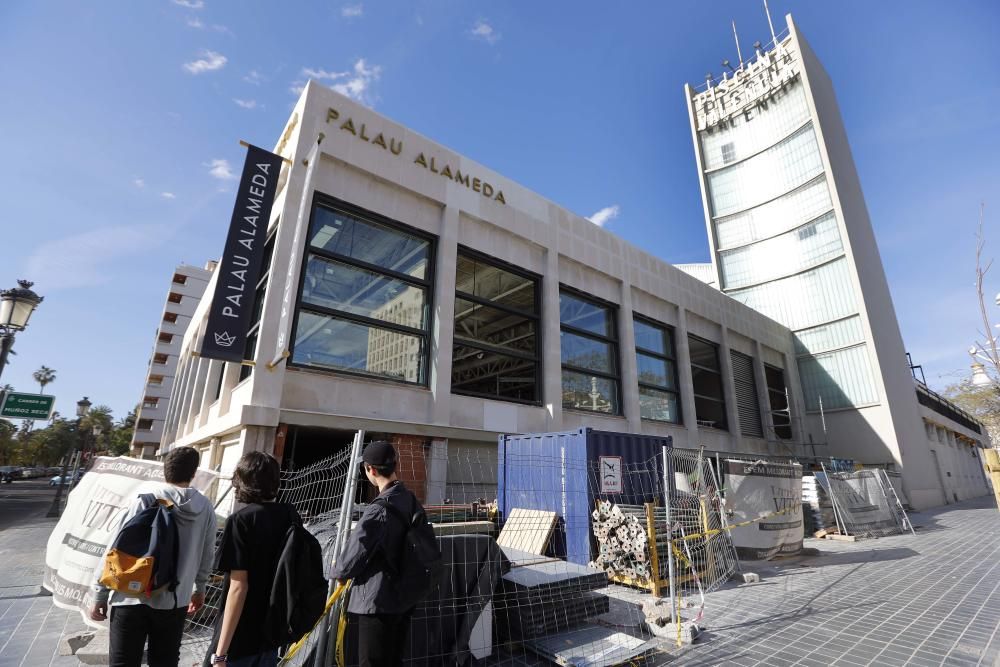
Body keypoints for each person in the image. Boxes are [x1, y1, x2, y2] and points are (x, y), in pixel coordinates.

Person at [90, 446, 216, 667]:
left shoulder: (146, 500)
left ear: (165, 471)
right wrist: (200, 587)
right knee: (165, 661)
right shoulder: (205, 507)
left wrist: (100, 594)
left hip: (130, 597)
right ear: (193, 473)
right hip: (175, 600)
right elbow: (207, 552)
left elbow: (115, 548)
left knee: (123, 662)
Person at [331, 440, 424, 667]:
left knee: (372, 662)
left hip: (377, 599)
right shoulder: (409, 499)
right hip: (404, 594)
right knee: (394, 659)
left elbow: (355, 552)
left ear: (370, 469)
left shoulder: (378, 509)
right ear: (394, 465)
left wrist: (338, 572)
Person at [209, 451, 297, 667]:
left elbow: (239, 588)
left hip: (241, 637)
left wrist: (220, 654)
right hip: (272, 630)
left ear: (243, 481)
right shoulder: (290, 514)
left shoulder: (240, 521)